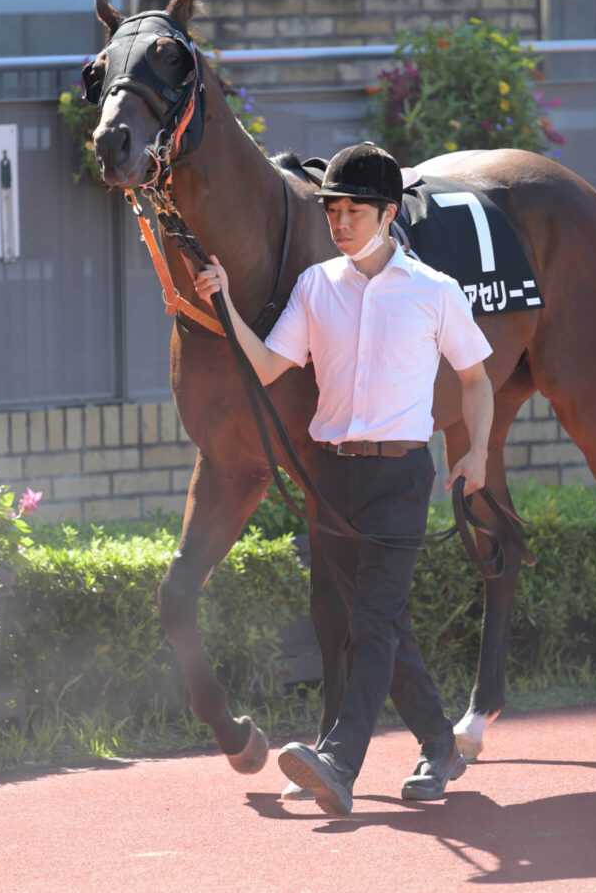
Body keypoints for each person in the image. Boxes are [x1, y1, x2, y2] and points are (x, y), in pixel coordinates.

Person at [194, 141, 494, 817]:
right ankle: (441, 744)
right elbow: (268, 367)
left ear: (389, 213)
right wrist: (222, 304)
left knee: (372, 621)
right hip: (330, 479)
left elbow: (475, 380)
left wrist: (473, 453)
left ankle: (340, 759)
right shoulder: (316, 286)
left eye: (353, 210)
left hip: (400, 477)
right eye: (332, 209)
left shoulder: (434, 292)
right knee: (386, 625)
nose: (339, 221)